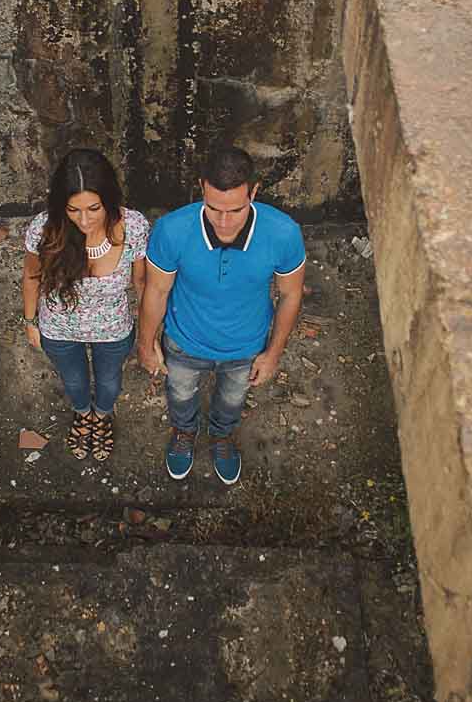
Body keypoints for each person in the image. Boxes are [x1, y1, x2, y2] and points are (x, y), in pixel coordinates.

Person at [137, 146, 306, 485]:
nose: (224, 222)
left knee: (231, 400)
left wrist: (273, 354)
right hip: (184, 342)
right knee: (180, 395)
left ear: (254, 193)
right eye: (214, 208)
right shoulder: (172, 230)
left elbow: (290, 294)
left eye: (236, 210)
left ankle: (221, 436)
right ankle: (184, 432)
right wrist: (145, 343)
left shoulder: (283, 233)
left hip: (246, 348)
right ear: (201, 188)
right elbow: (155, 291)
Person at [22, 149, 149, 462]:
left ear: (109, 199)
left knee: (108, 382)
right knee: (75, 381)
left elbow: (142, 284)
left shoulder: (133, 227)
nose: (84, 220)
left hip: (114, 330)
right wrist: (30, 322)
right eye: (73, 210)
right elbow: (31, 276)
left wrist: (149, 334)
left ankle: (101, 416)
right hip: (59, 329)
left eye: (94, 208)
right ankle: (82, 415)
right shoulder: (44, 229)